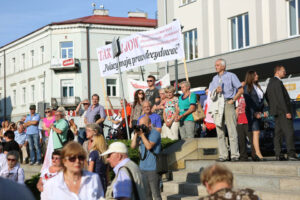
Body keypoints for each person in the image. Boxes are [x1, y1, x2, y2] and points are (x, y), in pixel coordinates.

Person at [208, 59, 243, 162]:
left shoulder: (231, 76)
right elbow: (210, 94)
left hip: (228, 103)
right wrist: (215, 90)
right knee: (220, 131)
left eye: (218, 65)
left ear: (223, 66)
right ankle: (223, 155)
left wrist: (233, 100)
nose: (216, 67)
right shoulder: (214, 78)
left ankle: (234, 155)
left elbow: (240, 90)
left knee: (232, 130)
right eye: (215, 65)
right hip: (218, 104)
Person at [266, 66, 300, 161]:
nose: (285, 73)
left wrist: (272, 107)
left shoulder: (270, 83)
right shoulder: (278, 82)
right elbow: (281, 98)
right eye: (283, 71)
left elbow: (266, 96)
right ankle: (291, 154)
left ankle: (278, 154)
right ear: (277, 72)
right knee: (289, 132)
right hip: (283, 112)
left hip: (276, 113)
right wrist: (287, 111)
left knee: (278, 134)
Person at [131, 115, 162, 200]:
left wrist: (142, 135)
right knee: (146, 196)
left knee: (156, 195)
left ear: (149, 124)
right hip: (142, 168)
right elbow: (133, 146)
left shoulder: (155, 133)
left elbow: (149, 146)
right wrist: (136, 134)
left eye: (143, 125)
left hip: (153, 168)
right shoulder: (141, 134)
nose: (141, 127)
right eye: (139, 125)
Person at [244, 71, 267, 161]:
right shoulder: (247, 87)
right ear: (251, 76)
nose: (257, 76)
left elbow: (262, 100)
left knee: (258, 132)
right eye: (255, 75)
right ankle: (258, 153)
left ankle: (257, 153)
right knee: (256, 132)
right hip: (251, 112)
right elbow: (248, 101)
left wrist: (264, 111)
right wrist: (254, 113)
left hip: (259, 112)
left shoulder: (258, 86)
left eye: (257, 74)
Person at [236, 91, 254, 161]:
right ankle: (243, 156)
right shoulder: (236, 98)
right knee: (241, 140)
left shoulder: (247, 97)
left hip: (247, 121)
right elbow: (236, 110)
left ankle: (254, 155)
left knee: (252, 139)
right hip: (239, 122)